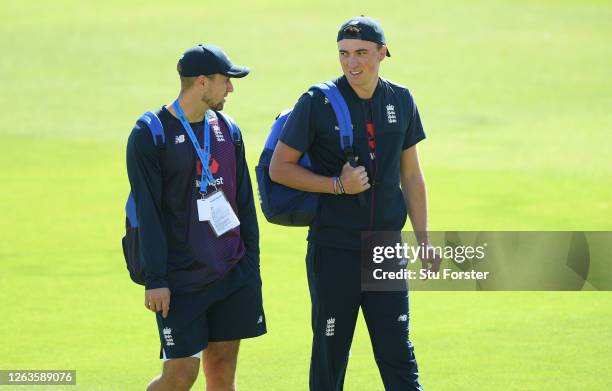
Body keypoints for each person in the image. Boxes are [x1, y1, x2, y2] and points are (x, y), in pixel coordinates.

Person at [269, 16, 440, 391]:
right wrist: (336, 185)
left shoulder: (401, 99)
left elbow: (411, 175)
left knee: (398, 352)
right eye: (344, 54)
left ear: (382, 53)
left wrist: (424, 240)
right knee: (331, 354)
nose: (352, 63)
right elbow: (279, 168)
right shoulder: (316, 102)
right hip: (334, 249)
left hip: (385, 249)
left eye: (362, 53)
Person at [126, 44, 266, 391]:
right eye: (226, 81)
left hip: (231, 271)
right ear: (202, 82)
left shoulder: (228, 129)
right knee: (180, 376)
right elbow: (148, 211)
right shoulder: (150, 134)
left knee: (222, 369)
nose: (231, 89)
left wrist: (251, 267)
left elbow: (243, 202)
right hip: (180, 280)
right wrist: (156, 278)